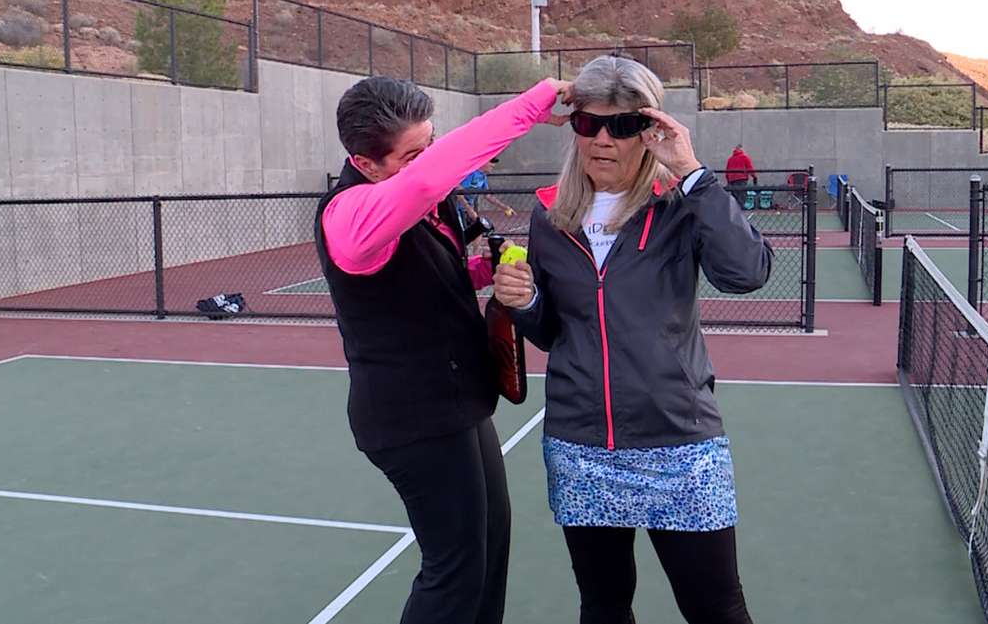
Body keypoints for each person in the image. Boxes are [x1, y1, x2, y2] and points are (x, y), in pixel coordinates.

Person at [493, 56, 772, 624]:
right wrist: (524, 304)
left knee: (717, 609)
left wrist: (693, 173)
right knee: (603, 606)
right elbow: (554, 332)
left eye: (620, 126)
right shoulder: (551, 217)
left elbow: (747, 273)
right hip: (582, 445)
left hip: (680, 442)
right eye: (588, 123)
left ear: (649, 131)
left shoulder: (679, 207)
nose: (602, 139)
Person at [313, 75, 569, 624]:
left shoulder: (417, 209)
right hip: (413, 418)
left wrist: (484, 270)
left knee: (489, 549)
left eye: (430, 144)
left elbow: (427, 276)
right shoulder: (350, 216)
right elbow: (428, 182)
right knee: (453, 570)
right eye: (412, 154)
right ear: (365, 162)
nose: (427, 160)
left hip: (459, 403)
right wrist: (528, 106)